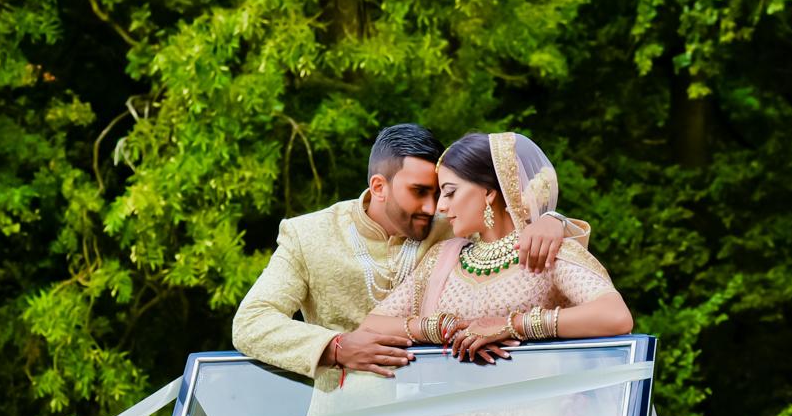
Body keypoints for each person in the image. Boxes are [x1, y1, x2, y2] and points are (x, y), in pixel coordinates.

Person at [230, 124, 584, 391]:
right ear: (379, 187)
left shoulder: (453, 227)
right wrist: (335, 347)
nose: (433, 207)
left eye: (439, 192)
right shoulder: (308, 236)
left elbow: (506, 215)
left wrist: (554, 220)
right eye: (419, 192)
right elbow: (251, 323)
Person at [357, 131, 633, 359]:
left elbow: (615, 316)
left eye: (450, 192)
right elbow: (371, 327)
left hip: (539, 412)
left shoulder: (543, 248)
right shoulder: (444, 257)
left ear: (488, 192)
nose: (440, 206)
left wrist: (513, 325)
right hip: (456, 414)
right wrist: (433, 328)